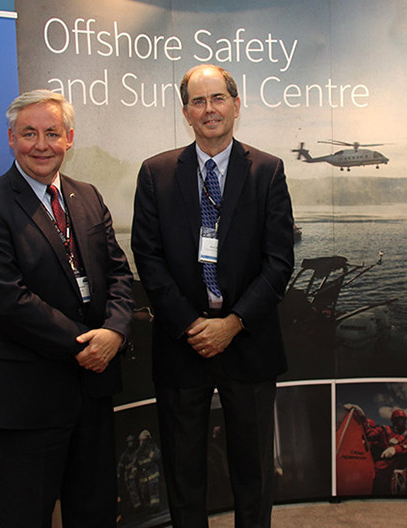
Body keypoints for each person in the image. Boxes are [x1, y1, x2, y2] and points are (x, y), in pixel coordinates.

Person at [131, 64, 295, 527]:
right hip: (183, 345)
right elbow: (149, 257)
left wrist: (233, 322)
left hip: (249, 341)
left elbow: (279, 261)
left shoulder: (267, 171)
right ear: (186, 113)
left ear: (236, 104)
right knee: (184, 473)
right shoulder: (156, 173)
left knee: (254, 472)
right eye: (198, 102)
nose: (210, 110)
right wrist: (190, 324)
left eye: (218, 98)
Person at [0, 90, 134, 527]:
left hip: (93, 392)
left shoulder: (88, 196)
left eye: (52, 133)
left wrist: (114, 331)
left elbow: (118, 274)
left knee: (94, 513)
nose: (41, 144)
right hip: (31, 399)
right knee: (28, 517)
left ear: (69, 138)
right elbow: (8, 299)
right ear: (10, 138)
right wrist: (83, 344)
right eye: (29, 133)